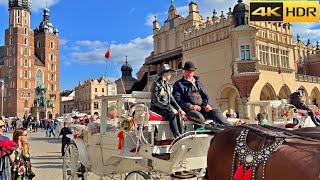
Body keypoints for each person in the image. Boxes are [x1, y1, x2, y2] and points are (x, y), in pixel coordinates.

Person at [173, 61, 230, 126]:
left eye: (191, 72)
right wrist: (190, 106)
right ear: (184, 71)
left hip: (201, 108)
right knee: (200, 117)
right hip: (189, 110)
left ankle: (229, 127)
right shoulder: (178, 84)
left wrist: (207, 104)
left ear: (193, 72)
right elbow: (177, 99)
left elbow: (205, 95)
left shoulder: (198, 83)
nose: (189, 74)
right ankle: (209, 129)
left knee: (215, 112)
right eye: (188, 71)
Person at [151, 64, 186, 138]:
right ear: (164, 73)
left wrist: (179, 108)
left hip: (166, 108)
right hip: (157, 108)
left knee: (178, 114)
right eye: (169, 73)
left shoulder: (168, 86)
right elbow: (155, 101)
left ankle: (182, 135)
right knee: (172, 114)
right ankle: (177, 136)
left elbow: (172, 99)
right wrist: (170, 109)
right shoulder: (156, 85)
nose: (171, 75)